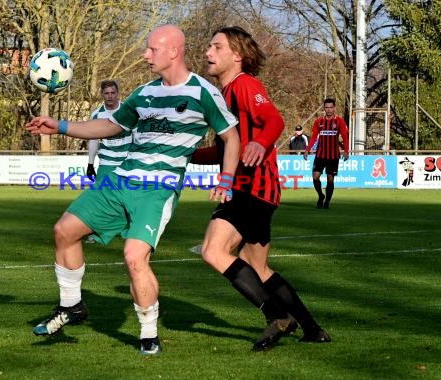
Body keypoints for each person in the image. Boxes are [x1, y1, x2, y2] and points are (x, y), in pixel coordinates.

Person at [24, 24, 241, 355]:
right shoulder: (144, 93)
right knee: (64, 231)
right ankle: (72, 306)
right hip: (119, 180)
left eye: (152, 49)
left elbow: (231, 137)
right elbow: (111, 126)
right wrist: (62, 126)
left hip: (157, 190)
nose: (146, 54)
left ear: (174, 51)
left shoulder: (202, 93)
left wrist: (225, 179)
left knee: (134, 257)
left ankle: (148, 333)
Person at [195, 25, 330, 351]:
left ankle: (277, 315)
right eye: (209, 47)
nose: (208, 52)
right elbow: (223, 150)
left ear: (237, 55)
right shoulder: (222, 96)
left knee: (213, 251)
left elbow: (274, 120)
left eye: (217, 47)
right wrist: (184, 154)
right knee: (256, 266)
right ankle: (311, 329)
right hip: (259, 189)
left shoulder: (245, 84)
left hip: (251, 186)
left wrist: (260, 141)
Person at [303, 98, 349, 209]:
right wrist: (307, 149)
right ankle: (320, 196)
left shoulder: (339, 121)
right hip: (320, 154)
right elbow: (314, 137)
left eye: (331, 107)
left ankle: (327, 201)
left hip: (333, 156)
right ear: (324, 108)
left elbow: (345, 136)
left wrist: (346, 150)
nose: (328, 109)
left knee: (330, 179)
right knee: (315, 177)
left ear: (334, 108)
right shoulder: (319, 122)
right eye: (326, 107)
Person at [86, 80, 130, 181]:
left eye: (113, 93)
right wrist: (90, 164)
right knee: (101, 195)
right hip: (106, 164)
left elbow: (137, 136)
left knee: (126, 196)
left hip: (126, 162)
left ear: (117, 93)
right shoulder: (96, 115)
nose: (110, 96)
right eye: (106, 93)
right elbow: (93, 140)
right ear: (102, 94)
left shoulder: (128, 110)